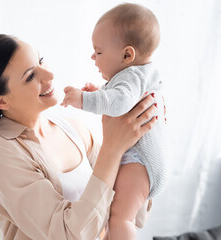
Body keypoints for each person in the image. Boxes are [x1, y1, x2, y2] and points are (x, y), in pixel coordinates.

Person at [0, 34, 158, 239]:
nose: (50, 74)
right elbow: (66, 235)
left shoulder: (73, 130)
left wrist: (130, 124)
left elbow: (136, 213)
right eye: (30, 76)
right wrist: (113, 148)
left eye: (41, 60)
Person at [60, 3, 166, 239]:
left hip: (140, 162)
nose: (92, 57)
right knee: (114, 218)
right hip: (142, 162)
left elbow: (119, 103)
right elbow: (122, 100)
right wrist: (101, 92)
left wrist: (84, 99)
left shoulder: (132, 75)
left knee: (120, 219)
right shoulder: (139, 75)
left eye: (98, 52)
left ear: (127, 55)